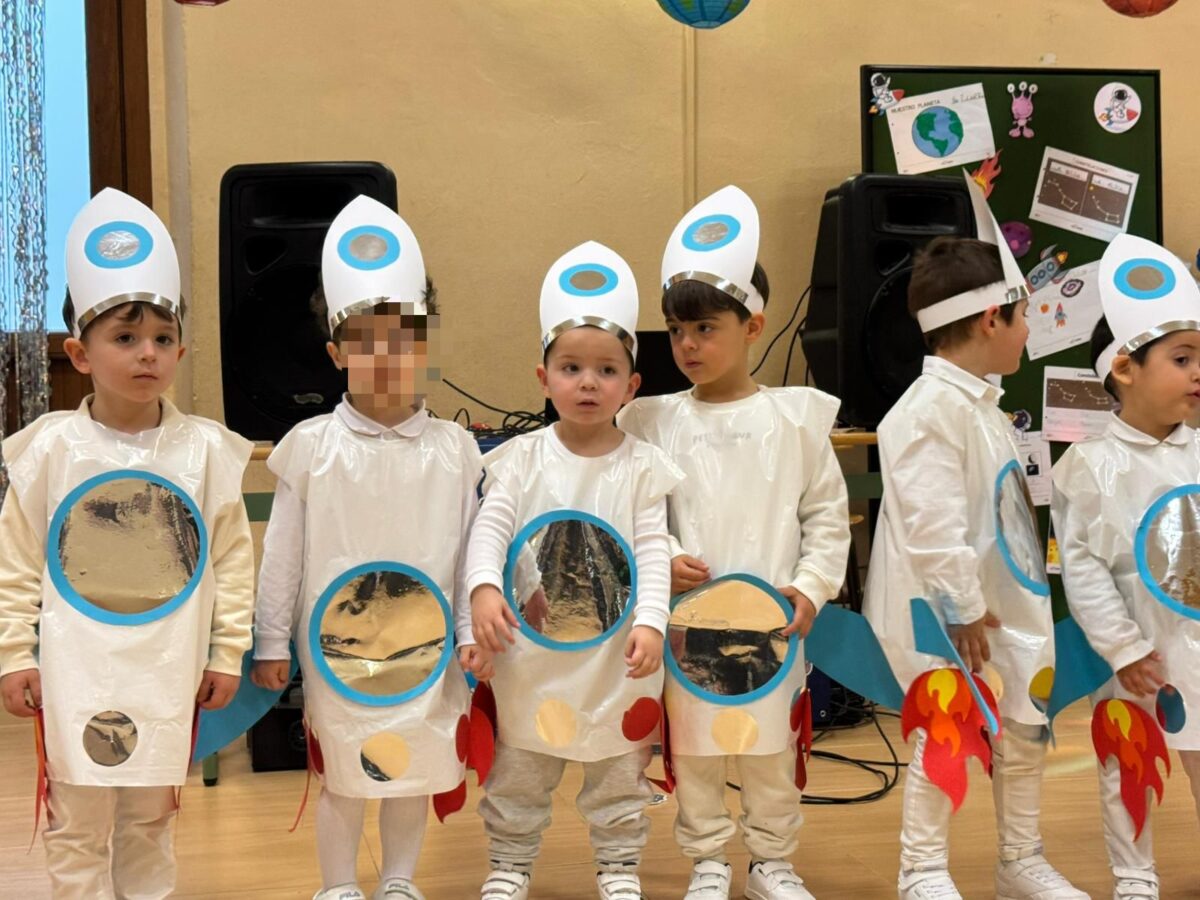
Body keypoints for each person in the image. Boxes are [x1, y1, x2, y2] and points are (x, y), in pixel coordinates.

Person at [0, 188, 255, 899]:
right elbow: (17, 561)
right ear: (79, 353)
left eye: (163, 339)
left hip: (166, 668)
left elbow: (232, 560)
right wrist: (15, 654)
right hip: (75, 669)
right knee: (77, 820)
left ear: (180, 350)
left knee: (150, 816)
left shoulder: (203, 453)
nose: (148, 354)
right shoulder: (51, 452)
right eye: (125, 338)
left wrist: (226, 650)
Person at [618, 185, 850, 900]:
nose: (687, 345)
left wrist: (810, 587)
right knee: (693, 748)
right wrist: (663, 560)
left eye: (705, 328)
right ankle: (708, 859)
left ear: (753, 326)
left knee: (771, 748)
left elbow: (827, 514)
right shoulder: (653, 422)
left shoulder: (795, 423)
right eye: (676, 330)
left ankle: (772, 860)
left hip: (773, 620)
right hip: (687, 625)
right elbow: (634, 511)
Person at [250, 195, 483, 900]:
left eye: (403, 340)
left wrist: (470, 630)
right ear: (335, 353)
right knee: (346, 768)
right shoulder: (310, 448)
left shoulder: (455, 450)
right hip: (337, 649)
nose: (386, 358)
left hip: (428, 647)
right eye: (365, 341)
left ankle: (401, 880)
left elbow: (471, 552)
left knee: (414, 763)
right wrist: (271, 640)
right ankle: (338, 884)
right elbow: (283, 553)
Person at [862, 175, 1086, 900]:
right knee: (946, 727)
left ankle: (1019, 858)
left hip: (1003, 608)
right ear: (992, 318)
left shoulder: (982, 408)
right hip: (951, 617)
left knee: (1022, 725)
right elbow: (932, 523)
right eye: (1025, 317)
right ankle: (922, 869)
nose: (1029, 332)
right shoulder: (925, 412)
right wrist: (960, 608)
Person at [466, 240, 683, 900]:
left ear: (632, 386)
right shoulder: (520, 460)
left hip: (616, 659)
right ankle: (509, 862)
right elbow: (490, 529)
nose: (588, 383)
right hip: (531, 657)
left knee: (619, 765)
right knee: (520, 765)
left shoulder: (641, 466)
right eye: (571, 368)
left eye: (606, 370)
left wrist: (651, 621)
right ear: (544, 378)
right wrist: (483, 589)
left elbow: (653, 549)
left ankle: (619, 865)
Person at [1052, 234, 1200, 900]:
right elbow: (1083, 571)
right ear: (1124, 368)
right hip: (1136, 654)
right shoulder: (1087, 467)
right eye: (1182, 358)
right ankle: (1135, 875)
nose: (1197, 373)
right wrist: (1123, 647)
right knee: (1129, 763)